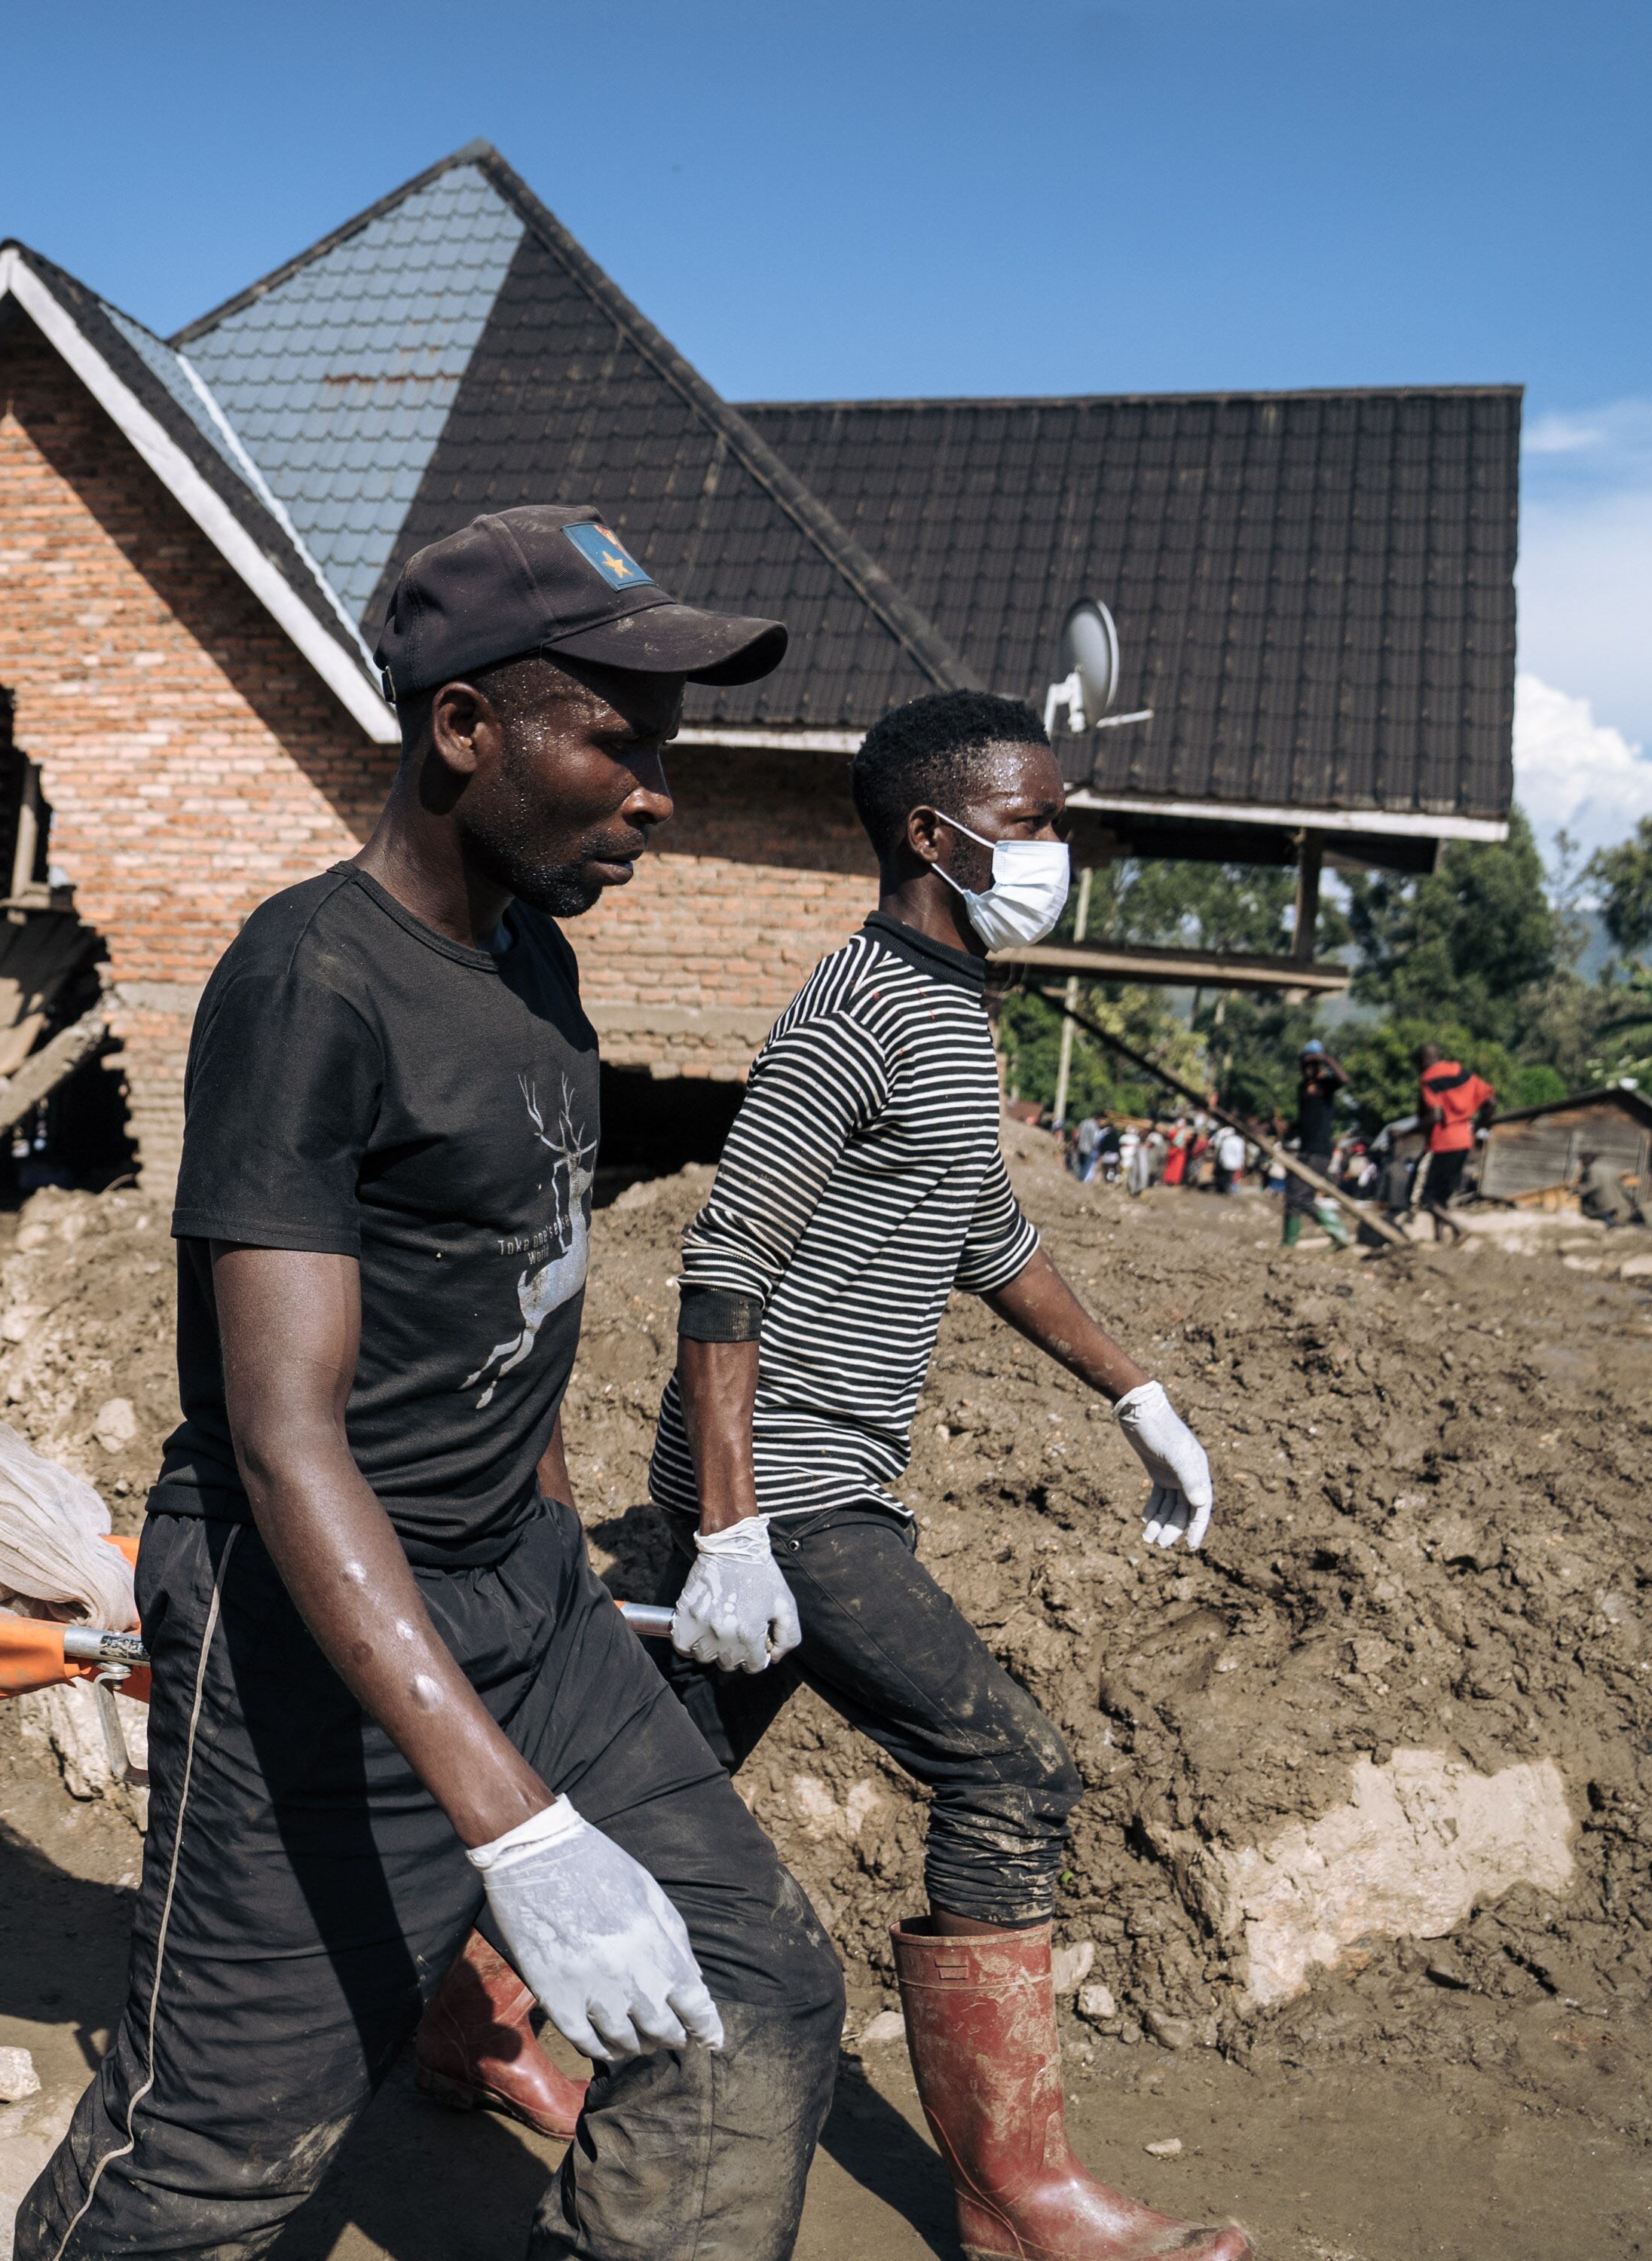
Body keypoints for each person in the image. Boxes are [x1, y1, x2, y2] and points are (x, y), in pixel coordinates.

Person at [20, 506, 842, 2259]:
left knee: (750, 1985)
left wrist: (567, 1581)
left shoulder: (535, 961)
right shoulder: (310, 982)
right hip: (310, 1627)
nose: (658, 793)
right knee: (216, 2163)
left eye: (666, 749)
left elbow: (505, 1300)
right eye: (617, 739)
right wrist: (515, 1827)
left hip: (523, 1593)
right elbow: (282, 1437)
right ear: (462, 726)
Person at [643, 688, 1247, 2261]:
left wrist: (1139, 1395)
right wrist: (731, 1531)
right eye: (1033, 822)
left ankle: (467, 2021)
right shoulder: (855, 1013)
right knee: (1012, 1773)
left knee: (650, 1775)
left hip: (810, 1484)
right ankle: (1015, 2198)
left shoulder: (950, 1004)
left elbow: (985, 1231)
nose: (1057, 851)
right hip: (791, 1489)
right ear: (934, 834)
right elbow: (726, 1261)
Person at [1412, 1044, 1493, 1217]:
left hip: (1444, 1143)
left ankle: (1458, 1228)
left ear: (1423, 1061)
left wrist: (1409, 1132)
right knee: (1442, 1199)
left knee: (1428, 1198)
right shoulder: (1460, 1072)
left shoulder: (1428, 1078)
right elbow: (1492, 1103)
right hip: (1464, 1140)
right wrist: (1477, 1128)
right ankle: (1443, 1232)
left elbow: (1435, 1115)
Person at [1283, 1042, 1349, 1248]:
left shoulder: (1326, 1084)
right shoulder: (1302, 1088)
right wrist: (1288, 1128)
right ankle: (1289, 1243)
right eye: (1305, 1064)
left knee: (1301, 1197)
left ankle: (1339, 1234)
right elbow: (1305, 1122)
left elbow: (1344, 1079)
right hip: (1305, 1150)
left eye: (1313, 1063)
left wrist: (1326, 1059)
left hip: (1319, 1152)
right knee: (1294, 1197)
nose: (1308, 1068)